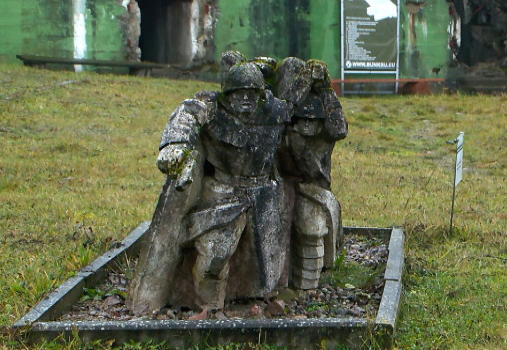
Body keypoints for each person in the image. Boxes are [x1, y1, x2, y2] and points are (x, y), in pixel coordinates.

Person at [129, 62, 291, 317]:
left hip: (264, 195)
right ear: (228, 94)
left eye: (252, 92)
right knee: (215, 253)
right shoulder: (212, 110)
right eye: (239, 92)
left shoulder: (277, 112)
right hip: (223, 193)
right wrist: (176, 145)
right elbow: (187, 113)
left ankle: (261, 300)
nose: (246, 98)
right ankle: (211, 307)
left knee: (269, 264)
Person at [276, 58, 347, 289]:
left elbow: (339, 128)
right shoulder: (284, 131)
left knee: (312, 230)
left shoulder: (323, 139)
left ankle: (307, 287)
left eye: (312, 121)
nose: (306, 126)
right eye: (302, 121)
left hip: (312, 190)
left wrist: (325, 87)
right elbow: (282, 112)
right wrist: (305, 81)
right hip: (279, 188)